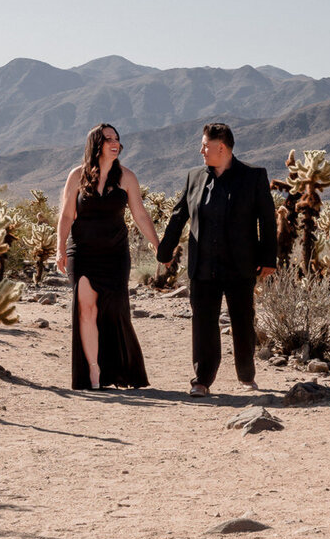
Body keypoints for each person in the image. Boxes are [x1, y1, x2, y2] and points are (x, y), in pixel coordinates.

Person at [155, 122, 277, 397]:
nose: (201, 151)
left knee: (243, 319)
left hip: (240, 263)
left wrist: (269, 257)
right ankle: (202, 379)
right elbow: (179, 215)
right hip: (203, 264)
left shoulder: (253, 177)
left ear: (221, 147)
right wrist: (165, 250)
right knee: (203, 322)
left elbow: (267, 220)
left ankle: (246, 373)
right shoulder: (195, 177)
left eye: (205, 146)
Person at [56, 123, 162, 390]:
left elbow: (140, 215)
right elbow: (67, 215)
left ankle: (121, 370)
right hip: (82, 252)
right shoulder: (77, 176)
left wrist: (158, 246)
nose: (115, 143)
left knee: (115, 311)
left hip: (115, 254)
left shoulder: (126, 177)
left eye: (117, 139)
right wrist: (59, 249)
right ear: (96, 144)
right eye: (108, 139)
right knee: (86, 309)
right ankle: (93, 371)